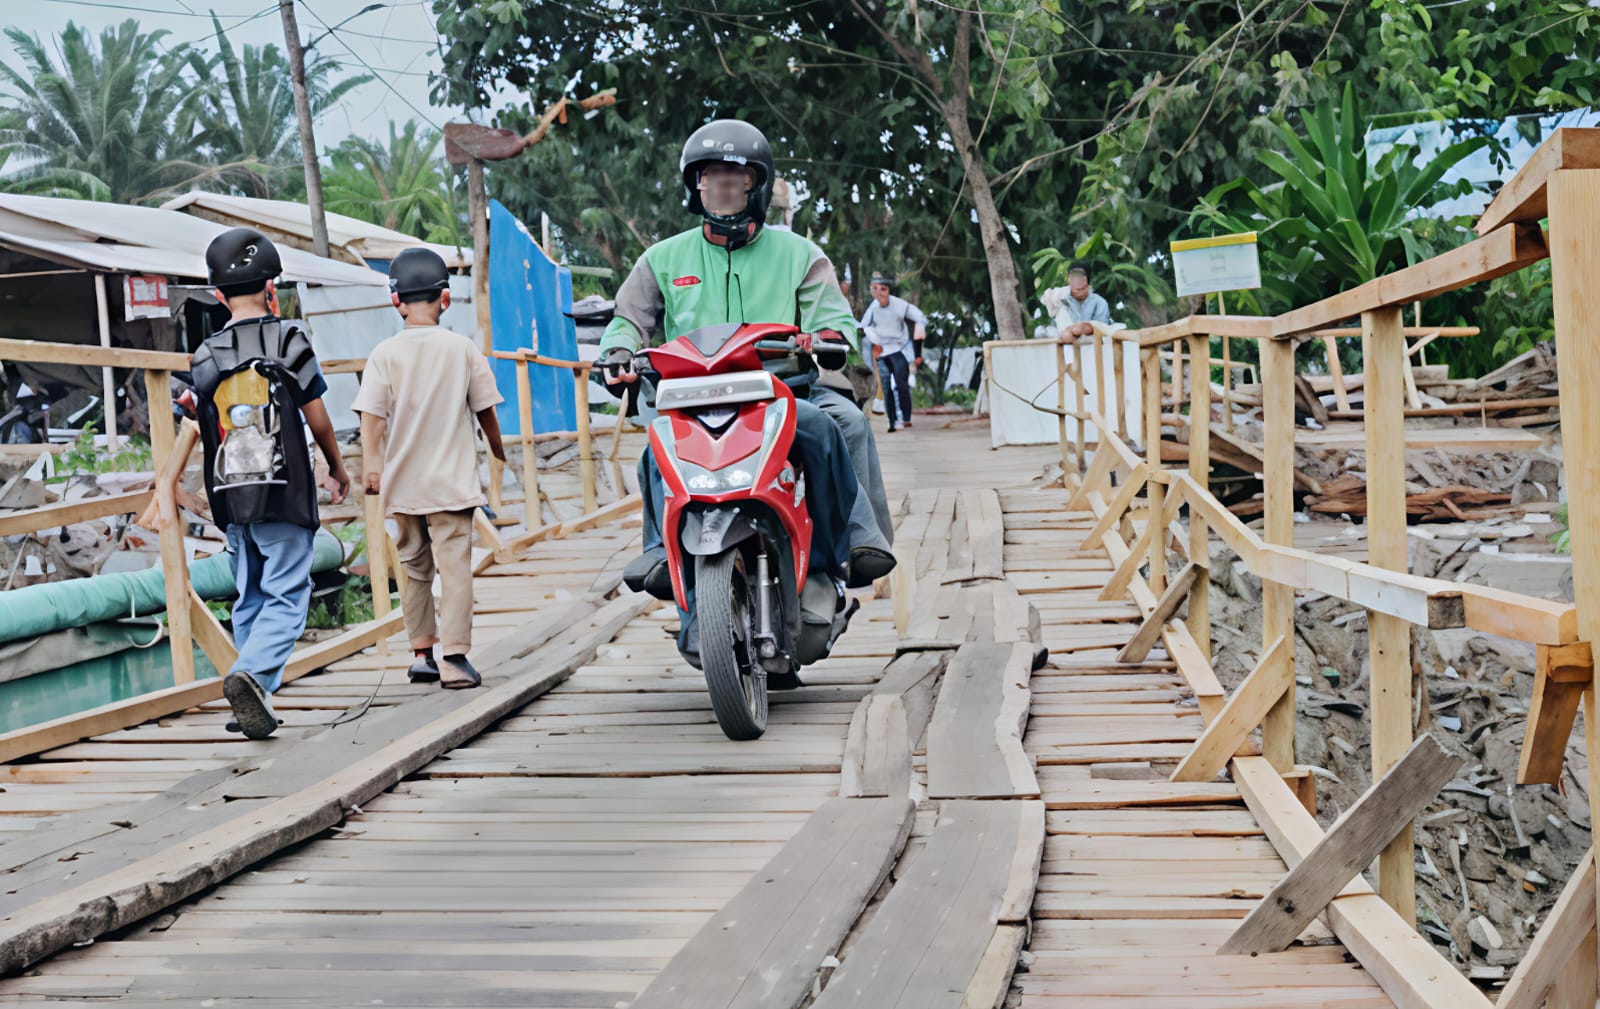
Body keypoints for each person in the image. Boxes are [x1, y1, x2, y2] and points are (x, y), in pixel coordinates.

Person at [597, 118, 895, 602]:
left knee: (837, 425)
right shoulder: (662, 258)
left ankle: (856, 538)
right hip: (690, 396)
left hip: (782, 391)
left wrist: (826, 337)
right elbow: (629, 318)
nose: (723, 188)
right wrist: (617, 350)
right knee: (656, 448)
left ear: (756, 184)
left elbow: (834, 319)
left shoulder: (800, 253)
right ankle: (658, 547)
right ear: (696, 186)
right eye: (710, 178)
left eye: (736, 179)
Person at [187, 227, 351, 739]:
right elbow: (318, 416)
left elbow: (200, 424)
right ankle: (252, 677)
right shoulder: (289, 338)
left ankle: (249, 698)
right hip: (283, 491)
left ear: (218, 296)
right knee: (287, 592)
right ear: (272, 288)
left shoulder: (205, 354)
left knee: (250, 594)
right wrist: (335, 466)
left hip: (230, 497)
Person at [353, 249, 506, 690]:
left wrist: (373, 469)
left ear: (394, 301)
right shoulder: (462, 348)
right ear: (446, 298)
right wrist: (497, 450)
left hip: (403, 484)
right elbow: (485, 409)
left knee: (414, 567)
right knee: (454, 567)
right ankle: (455, 660)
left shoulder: (383, 354)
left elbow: (372, 419)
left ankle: (422, 654)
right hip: (451, 483)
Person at [859, 273, 928, 432]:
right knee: (885, 385)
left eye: (883, 289)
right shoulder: (873, 308)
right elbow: (865, 326)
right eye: (876, 289)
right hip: (881, 351)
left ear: (888, 290)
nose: (880, 293)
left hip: (898, 348)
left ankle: (906, 418)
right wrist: (875, 341)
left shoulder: (899, 305)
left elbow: (919, 316)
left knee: (901, 384)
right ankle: (892, 422)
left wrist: (920, 325)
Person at [1042, 260, 1111, 338]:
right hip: (1066, 344)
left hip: (1094, 345)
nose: (1077, 280)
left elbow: (1103, 328)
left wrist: (1082, 328)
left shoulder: (1099, 302)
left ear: (1088, 280)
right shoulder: (1060, 298)